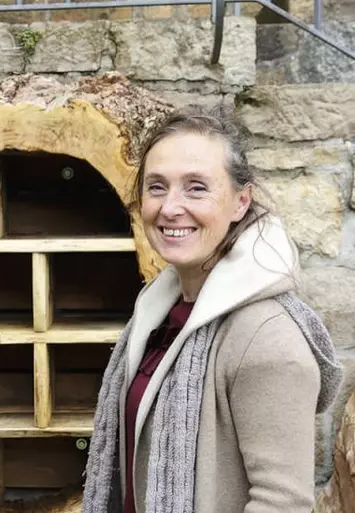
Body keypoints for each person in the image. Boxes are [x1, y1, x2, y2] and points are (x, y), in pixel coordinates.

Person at [82, 107, 342, 513]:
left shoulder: (265, 337)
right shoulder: (158, 314)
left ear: (241, 201)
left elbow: (283, 503)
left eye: (196, 188)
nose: (170, 208)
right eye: (156, 187)